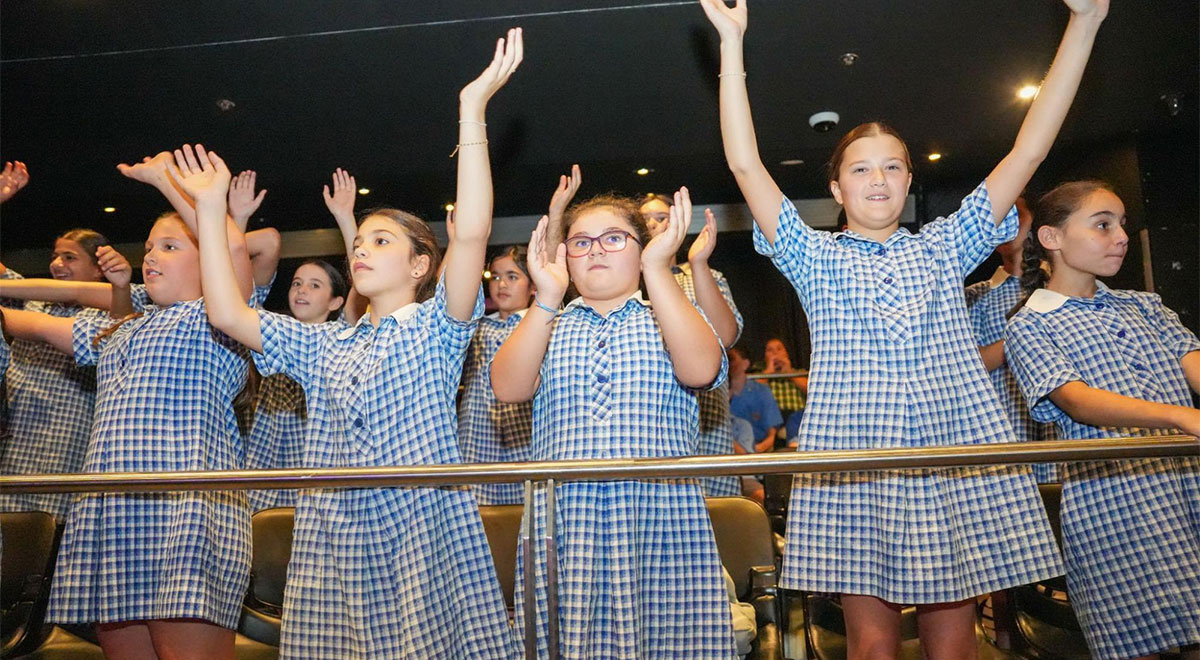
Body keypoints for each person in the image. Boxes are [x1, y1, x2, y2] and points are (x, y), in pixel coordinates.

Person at [700, 0, 1106, 653]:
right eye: (860, 167)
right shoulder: (815, 256)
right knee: (871, 645)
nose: (878, 178)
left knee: (953, 644)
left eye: (892, 165)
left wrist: (1083, 23)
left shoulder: (946, 244)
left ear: (910, 178)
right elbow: (746, 166)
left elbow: (1028, 151)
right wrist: (731, 50)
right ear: (836, 189)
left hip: (952, 448)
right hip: (856, 455)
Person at [192, 30, 523, 658]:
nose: (362, 249)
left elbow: (474, 231)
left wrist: (472, 111)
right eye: (360, 241)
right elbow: (230, 314)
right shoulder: (324, 345)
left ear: (422, 265)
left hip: (420, 522)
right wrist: (213, 212)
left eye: (381, 241)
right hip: (333, 530)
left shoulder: (437, 328)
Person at [2, 201, 256, 659]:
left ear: (210, 264)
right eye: (150, 247)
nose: (151, 256)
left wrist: (170, 186)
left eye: (171, 246)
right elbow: (33, 325)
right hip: (115, 518)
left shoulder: (219, 322)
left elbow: (235, 246)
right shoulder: (118, 330)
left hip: (186, 516)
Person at [492, 187, 736, 659]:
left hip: (660, 517)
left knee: (670, 642)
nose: (596, 249)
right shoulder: (548, 322)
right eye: (581, 242)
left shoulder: (666, 315)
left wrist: (658, 269)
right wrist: (545, 294)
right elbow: (507, 387)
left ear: (643, 248)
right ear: (565, 256)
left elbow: (702, 369)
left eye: (613, 238)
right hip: (565, 520)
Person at [1005, 180, 1200, 660]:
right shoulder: (1030, 324)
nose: (1121, 236)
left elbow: (1192, 360)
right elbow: (1078, 401)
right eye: (1102, 225)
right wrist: (1181, 417)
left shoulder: (1144, 305)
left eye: (1122, 225)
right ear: (1051, 239)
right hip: (1114, 503)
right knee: (1137, 641)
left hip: (1187, 482)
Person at [0, 227, 121, 519]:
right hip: (17, 440)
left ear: (97, 270)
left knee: (50, 532)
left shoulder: (104, 317)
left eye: (70, 257)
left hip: (66, 445)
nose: (57, 264)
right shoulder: (32, 300)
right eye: (56, 256)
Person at [642, 192, 744, 496]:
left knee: (719, 519)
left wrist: (698, 264)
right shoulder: (624, 283)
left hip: (707, 422)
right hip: (652, 428)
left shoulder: (703, 275)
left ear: (678, 224)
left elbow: (726, 337)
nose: (652, 225)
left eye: (660, 218)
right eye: (643, 220)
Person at [964, 196, 1059, 483]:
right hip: (1004, 426)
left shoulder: (1065, 285)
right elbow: (968, 362)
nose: (1007, 225)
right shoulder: (976, 295)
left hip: (1062, 427)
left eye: (1016, 215)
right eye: (998, 218)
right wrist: (1022, 340)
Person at [243, 258, 347, 511]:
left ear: (335, 302)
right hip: (266, 475)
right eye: (297, 283)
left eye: (315, 285)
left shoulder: (342, 341)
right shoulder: (273, 334)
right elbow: (241, 305)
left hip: (317, 478)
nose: (301, 290)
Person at [458, 244, 536, 505]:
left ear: (533, 286)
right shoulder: (476, 328)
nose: (502, 284)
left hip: (526, 446)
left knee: (527, 524)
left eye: (513, 276)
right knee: (479, 525)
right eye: (496, 276)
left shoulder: (540, 328)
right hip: (477, 446)